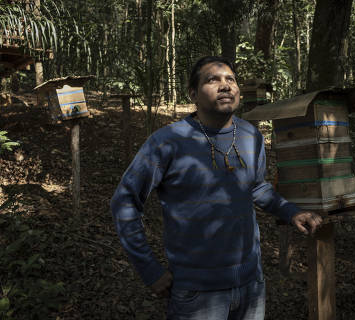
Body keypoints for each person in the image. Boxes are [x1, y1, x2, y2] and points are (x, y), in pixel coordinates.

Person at [110, 56, 323, 320]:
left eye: (230, 80)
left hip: (251, 285)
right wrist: (150, 270)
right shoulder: (167, 141)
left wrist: (291, 212)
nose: (225, 86)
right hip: (197, 293)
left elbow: (256, 188)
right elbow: (124, 202)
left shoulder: (251, 136)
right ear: (193, 94)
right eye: (213, 80)